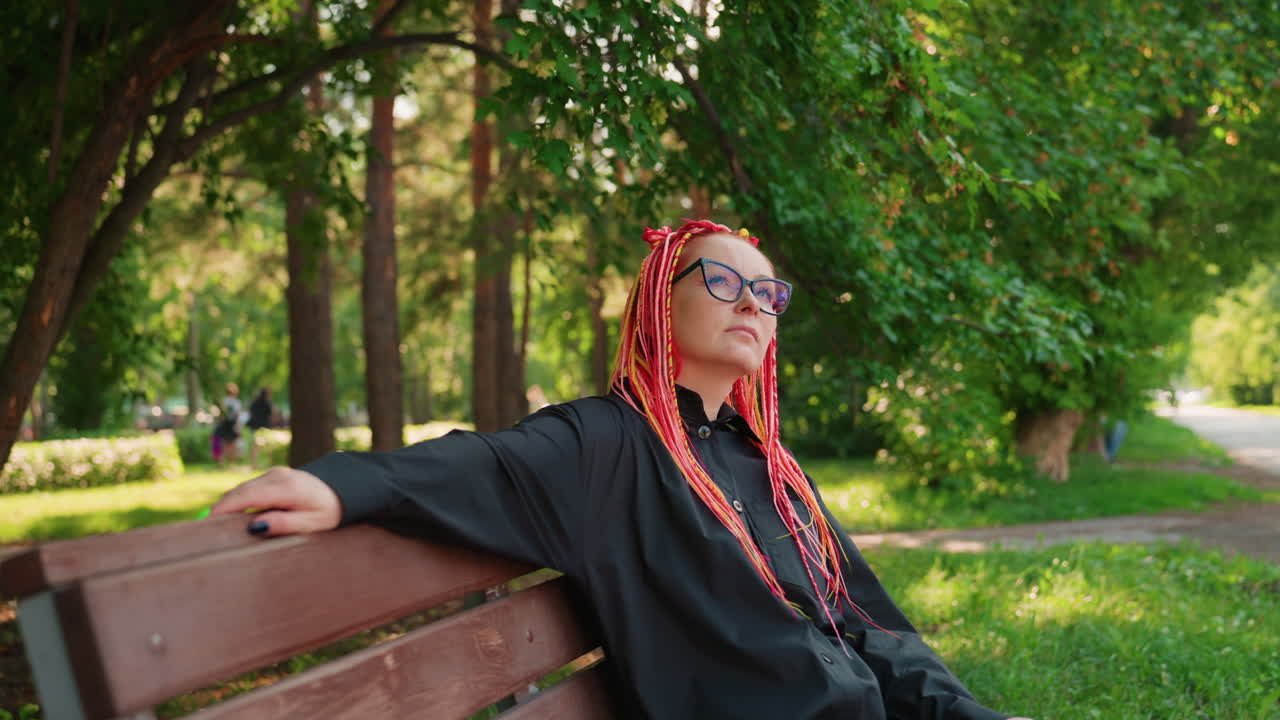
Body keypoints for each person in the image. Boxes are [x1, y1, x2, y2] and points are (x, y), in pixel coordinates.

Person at [213, 220, 1032, 720]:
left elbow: (869, 625)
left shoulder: (771, 469)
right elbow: (486, 462)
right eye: (722, 280)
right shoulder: (608, 444)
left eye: (767, 293)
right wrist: (340, 485)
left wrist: (969, 716)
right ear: (658, 304)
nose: (751, 302)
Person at [246, 386, 275, 468]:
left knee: (256, 446)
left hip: (255, 427)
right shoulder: (267, 403)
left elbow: (250, 411)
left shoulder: (255, 402)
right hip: (264, 427)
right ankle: (269, 463)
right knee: (267, 446)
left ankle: (254, 464)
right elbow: (271, 415)